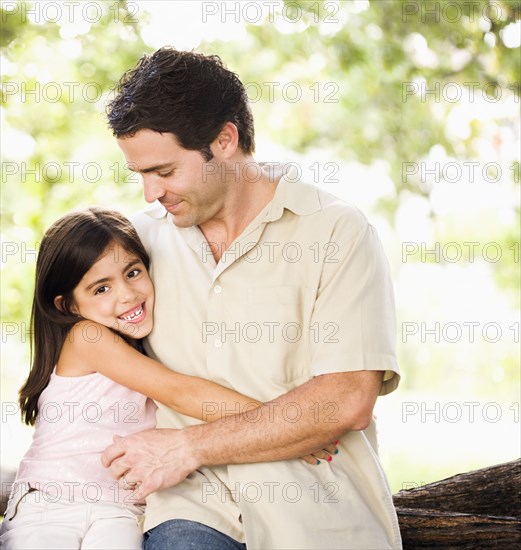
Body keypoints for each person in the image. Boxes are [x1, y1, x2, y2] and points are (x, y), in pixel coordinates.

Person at [102, 48, 402, 549]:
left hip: (315, 509)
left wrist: (186, 446)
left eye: (165, 171)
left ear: (224, 141)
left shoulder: (336, 232)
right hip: (196, 507)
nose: (151, 192)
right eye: (140, 175)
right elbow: (79, 339)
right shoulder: (136, 245)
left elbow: (346, 400)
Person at [0, 208, 335, 550]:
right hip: (51, 504)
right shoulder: (87, 338)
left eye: (133, 272)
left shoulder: (145, 344)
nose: (127, 294)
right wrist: (284, 424)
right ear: (69, 306)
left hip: (121, 512)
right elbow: (180, 391)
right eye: (101, 289)